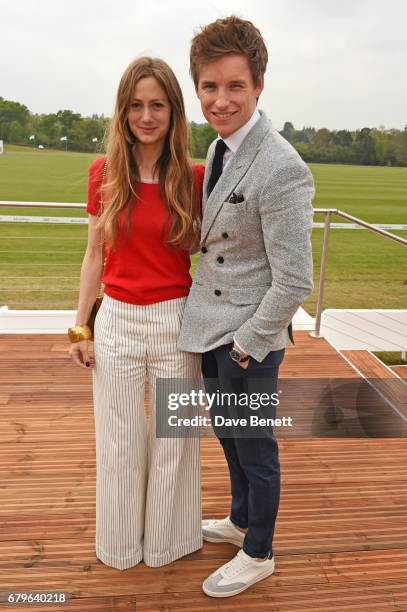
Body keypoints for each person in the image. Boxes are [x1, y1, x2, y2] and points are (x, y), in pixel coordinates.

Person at [179, 16, 314, 597]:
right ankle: (239, 520)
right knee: (228, 435)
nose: (220, 99)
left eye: (234, 86)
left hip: (247, 341)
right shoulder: (217, 147)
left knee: (256, 447)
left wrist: (246, 344)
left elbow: (295, 280)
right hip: (211, 328)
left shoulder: (282, 166)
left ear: (259, 85)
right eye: (209, 86)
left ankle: (258, 552)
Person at [68, 56, 204, 570]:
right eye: (136, 105)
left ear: (173, 111)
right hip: (118, 320)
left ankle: (167, 545)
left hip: (176, 320)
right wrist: (80, 327)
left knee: (175, 442)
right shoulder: (103, 173)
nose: (146, 116)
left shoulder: (195, 177)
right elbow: (93, 256)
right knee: (120, 442)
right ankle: (122, 548)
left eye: (158, 105)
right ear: (123, 112)